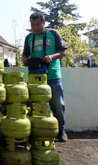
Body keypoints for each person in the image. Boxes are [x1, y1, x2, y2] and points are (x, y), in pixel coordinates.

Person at [22, 12, 68, 142]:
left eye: (37, 24)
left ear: (43, 23)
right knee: (31, 103)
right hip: (35, 76)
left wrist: (52, 57)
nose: (35, 27)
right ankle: (33, 131)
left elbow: (63, 52)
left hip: (53, 75)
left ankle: (61, 130)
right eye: (32, 24)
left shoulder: (53, 34)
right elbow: (25, 55)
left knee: (58, 104)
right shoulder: (29, 37)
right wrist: (25, 59)